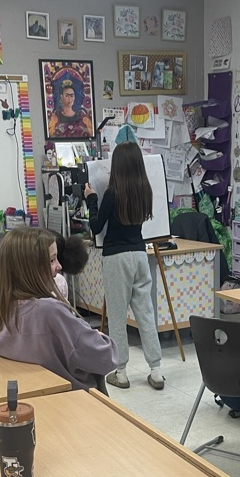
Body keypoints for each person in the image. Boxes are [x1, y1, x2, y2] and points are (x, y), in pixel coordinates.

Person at [0, 227, 118, 391]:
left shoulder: (4, 308)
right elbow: (107, 358)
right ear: (30, 267)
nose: (59, 266)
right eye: (52, 260)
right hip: (76, 401)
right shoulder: (49, 311)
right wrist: (99, 337)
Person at [85, 140, 165, 390]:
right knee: (146, 314)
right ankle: (156, 371)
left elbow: (96, 227)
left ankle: (121, 373)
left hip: (116, 258)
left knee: (117, 317)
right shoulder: (145, 191)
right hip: (140, 255)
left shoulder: (112, 193)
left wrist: (92, 200)